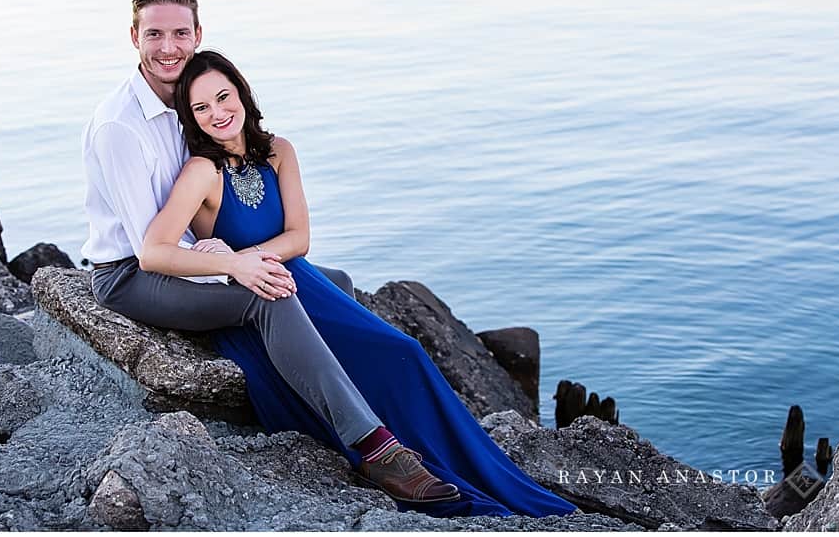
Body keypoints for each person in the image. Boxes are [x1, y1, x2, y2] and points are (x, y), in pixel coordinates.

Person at [138, 48, 579, 518]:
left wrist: (248, 254)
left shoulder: (278, 151)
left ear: (242, 93)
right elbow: (153, 252)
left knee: (403, 351)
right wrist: (232, 266)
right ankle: (389, 459)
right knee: (400, 353)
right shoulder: (202, 171)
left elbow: (299, 238)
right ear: (190, 117)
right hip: (259, 299)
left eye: (223, 97)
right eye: (201, 108)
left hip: (295, 276)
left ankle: (471, 463)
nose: (217, 114)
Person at [82, 0, 459, 505]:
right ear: (134, 37)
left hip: (194, 255)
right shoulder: (120, 126)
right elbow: (153, 251)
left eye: (179, 33)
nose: (168, 47)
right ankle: (374, 448)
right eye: (154, 34)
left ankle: (343, 394)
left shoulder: (187, 106)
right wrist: (234, 265)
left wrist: (232, 255)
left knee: (337, 284)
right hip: (133, 276)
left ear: (196, 34)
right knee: (272, 299)